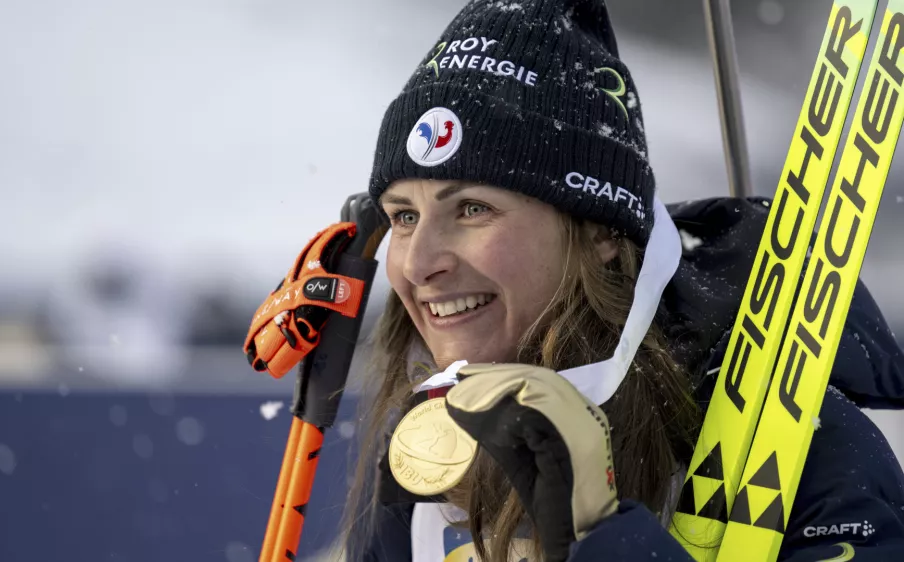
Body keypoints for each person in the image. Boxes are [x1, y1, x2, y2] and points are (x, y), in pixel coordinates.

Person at [334, 0, 904, 560]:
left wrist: (603, 533)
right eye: (404, 216)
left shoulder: (796, 445)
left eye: (473, 210)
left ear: (601, 231)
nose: (417, 263)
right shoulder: (429, 445)